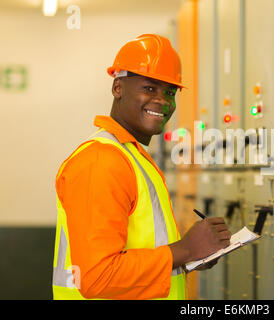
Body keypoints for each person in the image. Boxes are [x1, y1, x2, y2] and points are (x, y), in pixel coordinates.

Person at [52, 34, 231, 300]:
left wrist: (190, 257)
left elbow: (141, 250)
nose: (162, 101)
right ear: (118, 88)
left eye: (170, 92)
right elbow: (97, 278)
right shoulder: (102, 161)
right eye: (149, 88)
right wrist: (185, 250)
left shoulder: (131, 155)